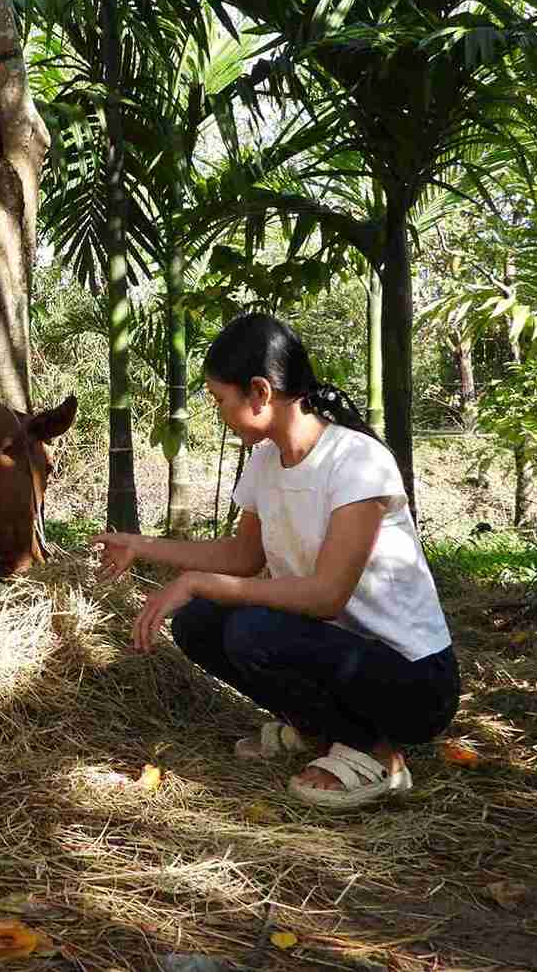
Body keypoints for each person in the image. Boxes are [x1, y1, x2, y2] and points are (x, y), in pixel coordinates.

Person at [93, 313, 460, 810]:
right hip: (338, 653)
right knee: (199, 622)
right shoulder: (267, 460)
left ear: (260, 393)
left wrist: (203, 581)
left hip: (413, 682)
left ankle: (378, 753)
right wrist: (142, 546)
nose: (218, 411)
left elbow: (325, 595)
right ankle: (321, 731)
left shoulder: (358, 461)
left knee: (251, 630)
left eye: (220, 399)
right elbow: (241, 557)